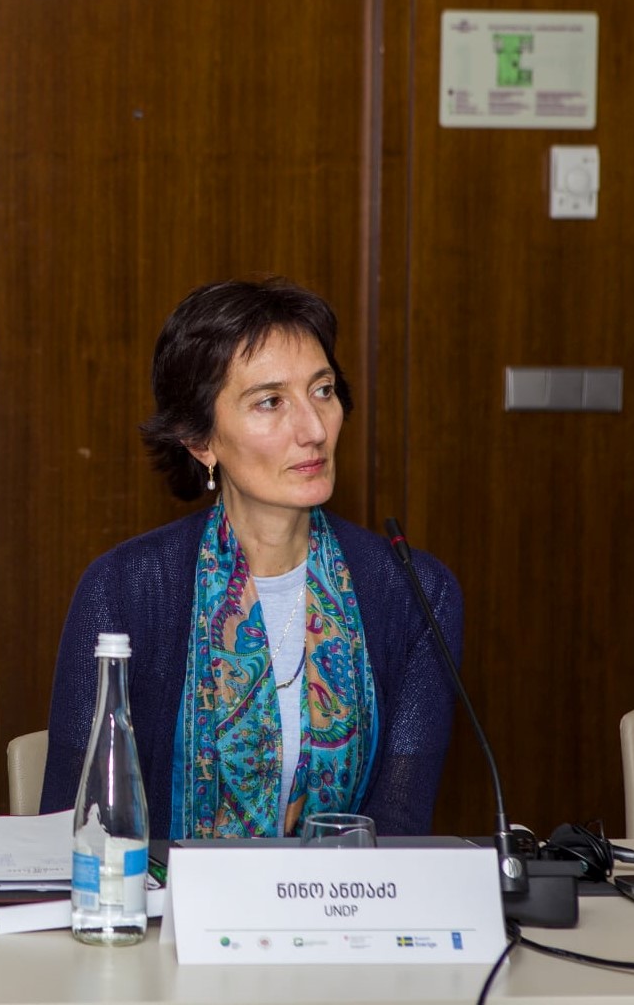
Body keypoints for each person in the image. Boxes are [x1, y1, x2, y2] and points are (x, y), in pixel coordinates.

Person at [39, 278, 462, 838]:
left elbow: (399, 830)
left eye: (323, 391)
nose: (313, 429)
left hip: (346, 893)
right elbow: (76, 826)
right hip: (160, 895)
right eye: (270, 402)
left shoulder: (415, 593)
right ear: (200, 441)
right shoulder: (124, 590)